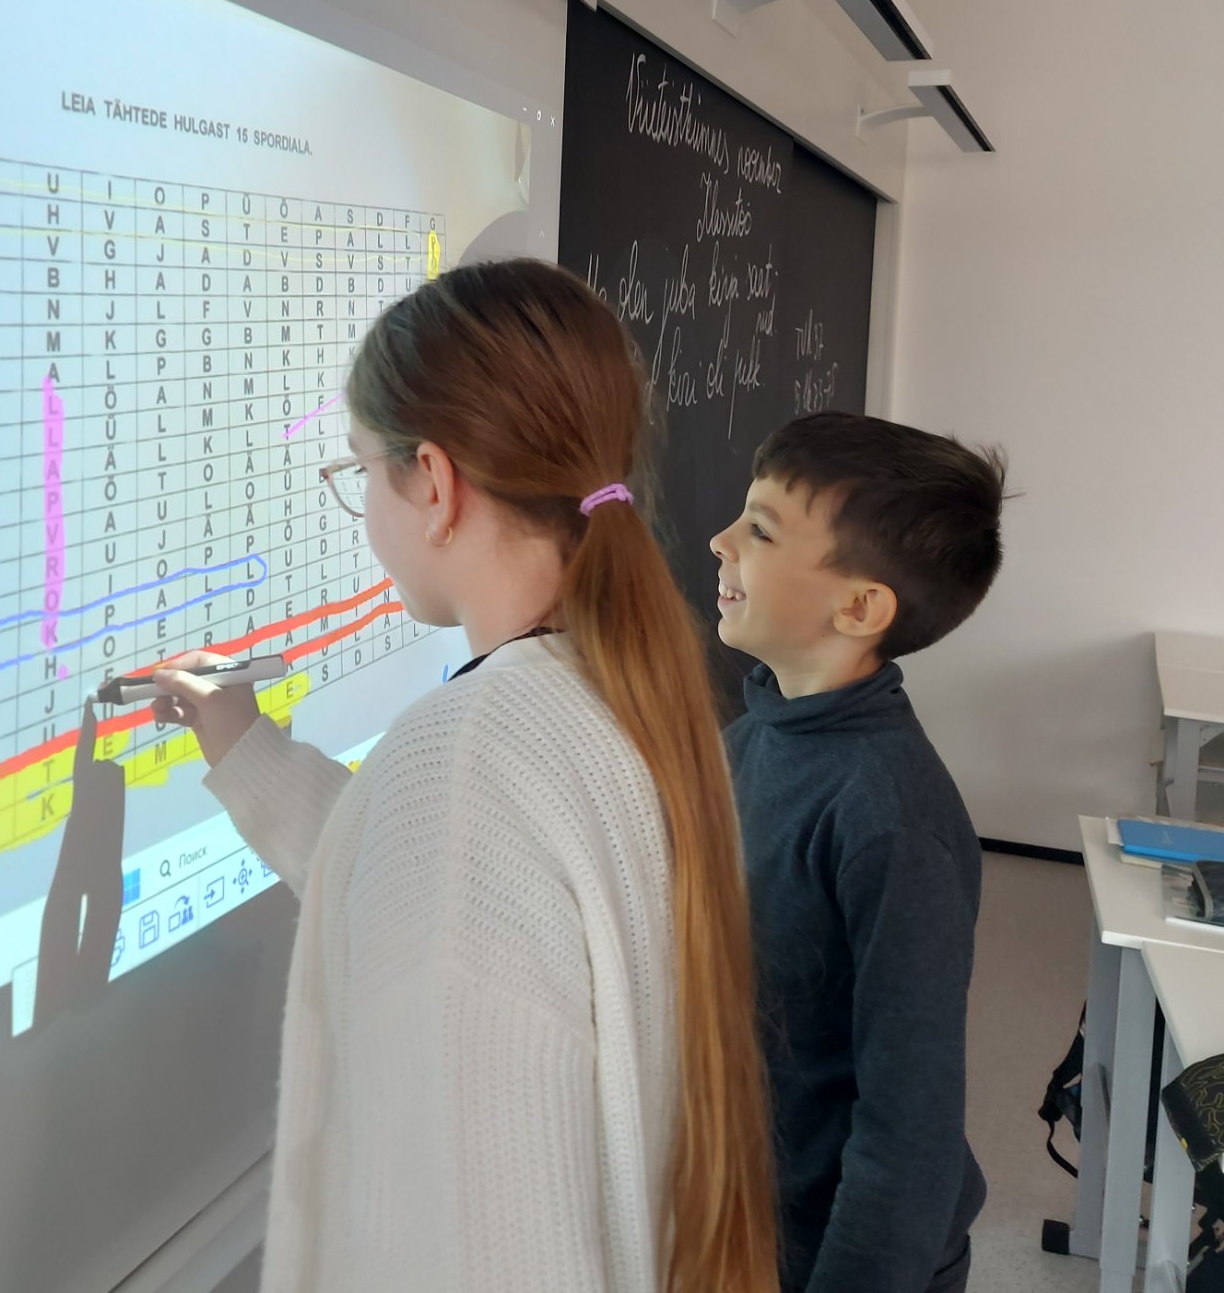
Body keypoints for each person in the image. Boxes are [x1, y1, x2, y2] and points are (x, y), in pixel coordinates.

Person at [154, 259, 777, 1293]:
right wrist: (245, 748)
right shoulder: (616, 693)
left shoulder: (469, 760)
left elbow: (493, 1239)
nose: (363, 504)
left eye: (360, 470)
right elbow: (437, 886)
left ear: (435, 483)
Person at [709, 411, 1008, 1293]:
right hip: (742, 1212)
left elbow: (910, 1131)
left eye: (761, 530)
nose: (721, 541)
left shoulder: (891, 823)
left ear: (860, 608)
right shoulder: (755, 736)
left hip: (832, 1253)